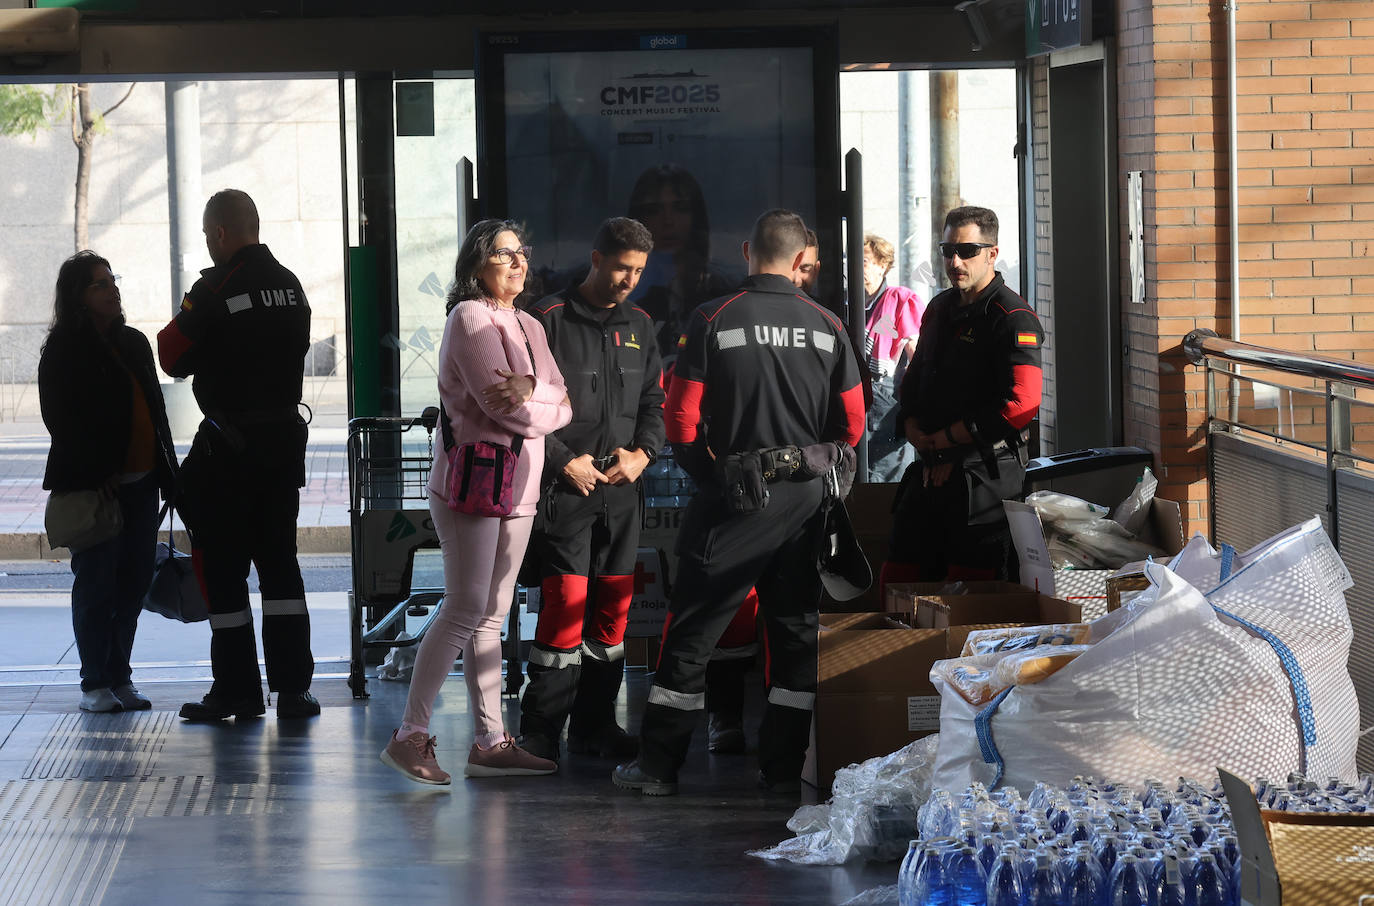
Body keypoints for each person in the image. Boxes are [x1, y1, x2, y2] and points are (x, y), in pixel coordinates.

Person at [612, 209, 865, 797]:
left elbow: (680, 419)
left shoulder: (712, 318)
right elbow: (852, 422)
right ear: (802, 259)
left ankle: (657, 768)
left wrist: (712, 476)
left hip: (733, 499)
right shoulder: (828, 325)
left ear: (749, 251)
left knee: (694, 633)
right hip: (804, 502)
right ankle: (782, 770)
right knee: (794, 634)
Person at [380, 219, 572, 785]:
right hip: (475, 486)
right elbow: (502, 409)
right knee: (466, 607)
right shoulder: (470, 318)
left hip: (519, 488)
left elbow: (562, 404)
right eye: (505, 254)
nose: (518, 263)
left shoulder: (529, 323)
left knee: (491, 613)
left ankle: (490, 741)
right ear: (476, 265)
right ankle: (409, 734)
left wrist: (532, 388)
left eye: (522, 253)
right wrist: (533, 399)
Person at [158, 189, 319, 722]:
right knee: (281, 571)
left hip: (228, 456)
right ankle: (294, 691)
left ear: (221, 233)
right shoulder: (293, 287)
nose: (209, 244)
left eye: (208, 235)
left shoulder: (214, 288)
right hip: (280, 452)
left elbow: (170, 353)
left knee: (224, 575)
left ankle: (237, 691)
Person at [518, 217, 665, 763]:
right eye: (623, 267)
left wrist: (643, 454)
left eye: (639, 271)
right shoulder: (547, 320)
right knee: (564, 606)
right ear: (597, 258)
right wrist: (561, 463)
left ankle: (596, 726)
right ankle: (540, 730)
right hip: (567, 491)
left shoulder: (642, 326)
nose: (630, 279)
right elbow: (525, 406)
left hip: (623, 491)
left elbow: (655, 404)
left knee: (612, 613)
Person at [39, 251, 177, 713]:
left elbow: (155, 414)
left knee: (134, 583)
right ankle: (94, 681)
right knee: (96, 583)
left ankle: (120, 676)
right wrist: (97, 473)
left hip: (143, 484)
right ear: (78, 296)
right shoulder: (64, 350)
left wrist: (168, 475)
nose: (112, 289)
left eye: (112, 280)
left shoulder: (133, 343)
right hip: (96, 487)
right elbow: (62, 420)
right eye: (99, 284)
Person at [882, 206, 1043, 592]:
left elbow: (1021, 404)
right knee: (898, 582)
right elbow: (915, 378)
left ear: (992, 253)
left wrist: (950, 441)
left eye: (967, 251)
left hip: (983, 481)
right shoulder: (939, 308)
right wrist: (912, 426)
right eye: (947, 250)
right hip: (929, 471)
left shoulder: (1013, 317)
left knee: (971, 596)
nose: (955, 261)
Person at [625, 164, 735, 362]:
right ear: (639, 218)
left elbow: (734, 351)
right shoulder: (622, 289)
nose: (668, 221)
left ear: (695, 216)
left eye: (680, 208)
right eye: (654, 210)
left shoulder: (724, 292)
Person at [862, 234, 926, 483]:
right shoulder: (851, 301)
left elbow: (917, 354)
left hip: (888, 405)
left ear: (882, 264)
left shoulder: (899, 300)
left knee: (887, 481)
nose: (857, 268)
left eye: (865, 261)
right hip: (861, 404)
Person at [794, 229, 821, 297]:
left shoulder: (819, 307)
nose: (797, 280)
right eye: (789, 269)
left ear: (816, 270)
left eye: (805, 269)